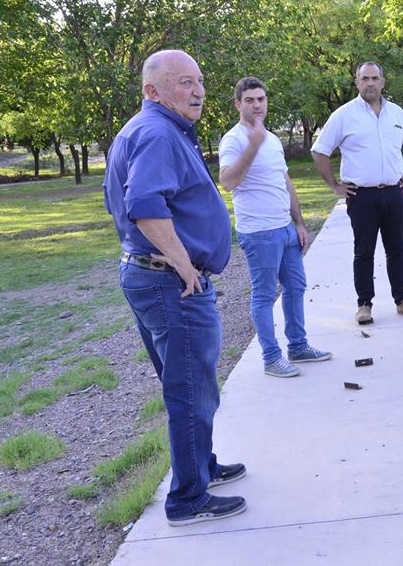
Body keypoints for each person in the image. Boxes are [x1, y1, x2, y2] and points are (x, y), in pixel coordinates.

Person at [103, 50, 247, 525]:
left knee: (188, 384)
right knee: (192, 392)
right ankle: (188, 499)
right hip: (171, 284)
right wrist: (185, 265)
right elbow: (144, 204)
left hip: (149, 275)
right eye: (184, 82)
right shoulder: (159, 134)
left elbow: (117, 202)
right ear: (153, 90)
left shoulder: (143, 130)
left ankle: (202, 467)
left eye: (199, 80)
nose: (198, 90)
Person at [219, 76, 333, 378]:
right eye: (249, 100)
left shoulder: (270, 139)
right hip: (259, 233)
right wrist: (252, 146)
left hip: (285, 228)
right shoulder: (234, 140)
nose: (257, 105)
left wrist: (299, 223)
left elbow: (284, 182)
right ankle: (271, 358)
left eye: (261, 99)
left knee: (296, 287)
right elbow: (227, 182)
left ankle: (298, 346)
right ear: (238, 105)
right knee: (264, 295)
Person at [311, 61, 403, 324]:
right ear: (357, 82)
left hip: (394, 193)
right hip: (361, 196)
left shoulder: (396, 113)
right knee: (363, 252)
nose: (370, 83)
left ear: (383, 81)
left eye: (375, 78)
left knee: (396, 250)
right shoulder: (343, 115)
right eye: (365, 78)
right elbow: (319, 151)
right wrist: (334, 185)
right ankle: (364, 305)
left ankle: (402, 301)